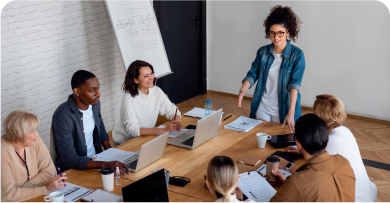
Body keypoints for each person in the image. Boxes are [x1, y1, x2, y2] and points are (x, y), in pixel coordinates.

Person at [282, 94, 377, 203]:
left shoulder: (331, 140)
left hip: (354, 199)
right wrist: (302, 151)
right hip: (367, 194)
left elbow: (311, 175)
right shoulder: (344, 130)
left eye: (314, 111)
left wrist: (286, 165)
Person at [238, 5, 305, 132]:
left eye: (281, 33)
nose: (276, 37)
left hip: (284, 108)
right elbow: (252, 74)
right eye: (272, 33)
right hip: (262, 106)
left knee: (281, 142)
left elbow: (294, 85)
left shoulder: (297, 55)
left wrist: (291, 113)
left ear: (288, 31)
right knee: (258, 139)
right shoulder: (262, 52)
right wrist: (243, 89)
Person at [52, 70, 130, 174]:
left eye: (98, 88)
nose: (98, 94)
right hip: (75, 170)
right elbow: (68, 158)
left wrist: (112, 154)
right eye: (92, 90)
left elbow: (100, 126)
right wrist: (104, 164)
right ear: (77, 91)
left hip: (96, 160)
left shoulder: (94, 104)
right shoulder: (62, 115)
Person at [269, 113, 355, 202]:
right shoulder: (343, 162)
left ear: (298, 144)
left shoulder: (296, 183)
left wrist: (289, 187)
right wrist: (287, 187)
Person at [0, 111, 67, 202]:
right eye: (32, 131)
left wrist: (22, 189)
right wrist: (45, 190)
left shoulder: (35, 140)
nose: (37, 134)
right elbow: (7, 195)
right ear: (19, 134)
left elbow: (50, 172)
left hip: (33, 198)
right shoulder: (2, 152)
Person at [112, 60, 181, 146]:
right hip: (126, 143)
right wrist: (163, 130)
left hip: (145, 138)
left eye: (151, 74)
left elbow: (172, 110)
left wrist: (176, 121)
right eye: (146, 76)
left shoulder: (156, 91)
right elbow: (133, 130)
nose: (151, 78)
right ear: (136, 80)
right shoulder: (128, 98)